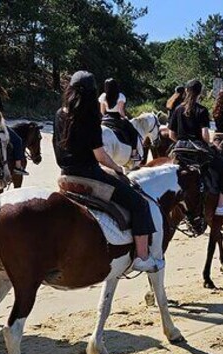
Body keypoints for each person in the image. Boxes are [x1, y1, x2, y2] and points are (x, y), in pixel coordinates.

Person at [53, 71, 162, 273]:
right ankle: (142, 257)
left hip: (64, 174)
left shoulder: (60, 113)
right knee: (139, 204)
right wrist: (117, 167)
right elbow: (100, 155)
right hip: (89, 176)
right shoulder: (90, 115)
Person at [168, 79, 223, 217]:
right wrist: (208, 143)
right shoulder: (202, 110)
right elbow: (205, 135)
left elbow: (172, 135)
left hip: (179, 150)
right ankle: (220, 206)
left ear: (186, 91)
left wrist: (181, 140)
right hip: (197, 150)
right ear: (200, 93)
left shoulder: (178, 109)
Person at [99, 78, 141, 162]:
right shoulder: (120, 96)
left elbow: (102, 111)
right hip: (117, 118)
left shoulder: (103, 96)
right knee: (133, 132)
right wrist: (125, 118)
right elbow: (120, 111)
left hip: (105, 118)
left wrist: (105, 118)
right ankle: (134, 154)